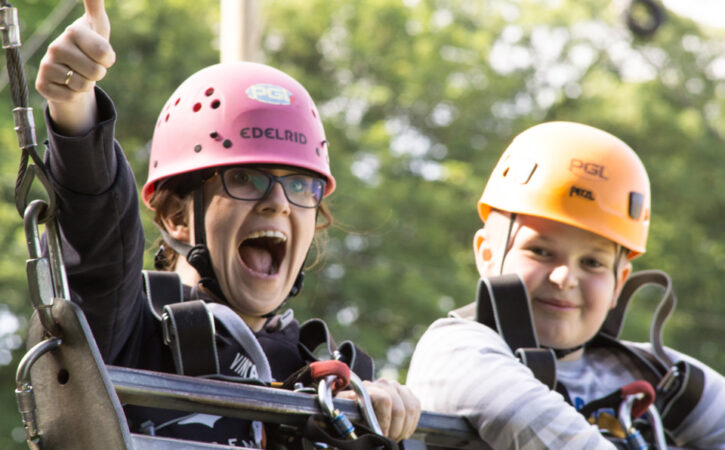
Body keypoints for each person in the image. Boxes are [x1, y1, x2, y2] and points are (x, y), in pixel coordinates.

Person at [35, 0, 420, 447]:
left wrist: (376, 412)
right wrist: (76, 109)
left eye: (300, 186)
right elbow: (99, 237)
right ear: (177, 216)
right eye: (244, 179)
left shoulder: (328, 385)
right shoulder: (126, 331)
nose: (278, 204)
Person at [406, 121, 725, 449]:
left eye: (592, 263)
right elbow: (533, 424)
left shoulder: (659, 377)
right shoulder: (455, 352)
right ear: (488, 255)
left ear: (620, 283)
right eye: (540, 252)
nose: (564, 278)